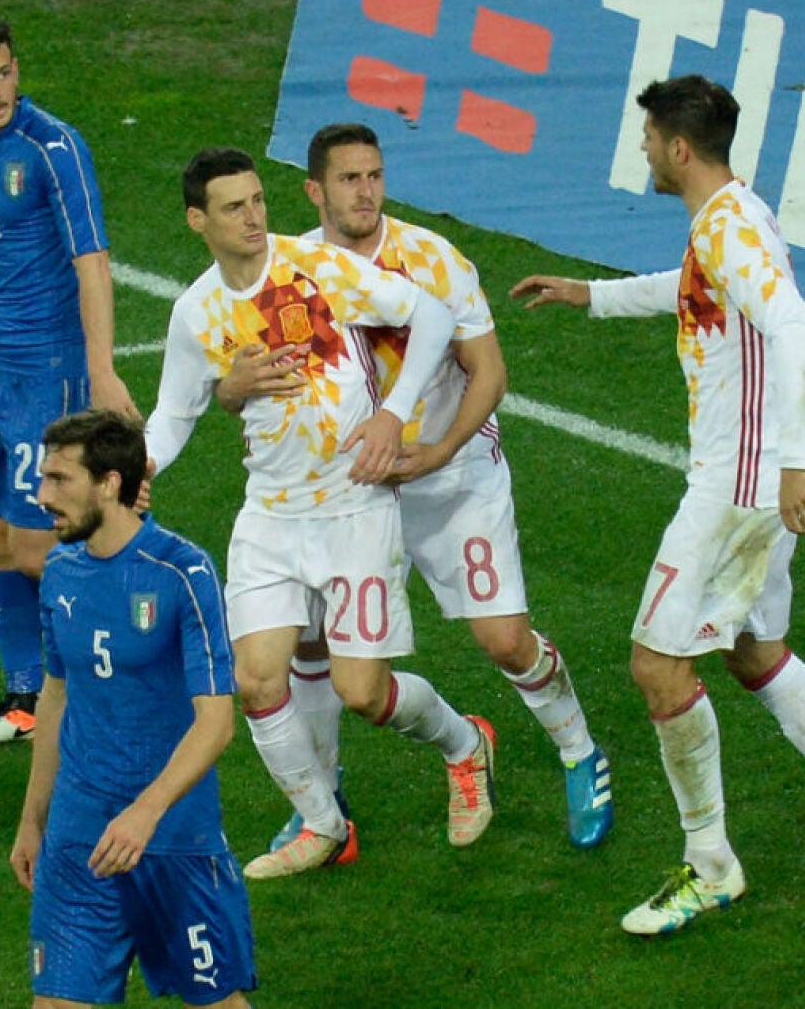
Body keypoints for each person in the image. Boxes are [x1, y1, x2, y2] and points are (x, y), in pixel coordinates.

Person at [513, 75, 805, 935]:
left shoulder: (731, 226)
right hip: (752, 475)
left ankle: (711, 867)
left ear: (678, 147)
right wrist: (590, 295)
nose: (642, 152)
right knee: (755, 651)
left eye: (648, 140)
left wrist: (795, 467)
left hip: (739, 484)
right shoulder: (730, 219)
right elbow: (693, 288)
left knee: (658, 668)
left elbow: (798, 333)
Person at [223, 123, 612, 854]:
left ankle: (579, 750)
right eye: (348, 178)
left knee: (504, 641)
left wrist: (436, 451)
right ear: (314, 189)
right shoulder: (293, 274)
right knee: (309, 640)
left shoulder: (432, 259)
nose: (366, 191)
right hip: (353, 493)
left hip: (453, 477)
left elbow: (488, 373)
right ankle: (325, 796)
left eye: (373, 175)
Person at [144, 147, 494, 881]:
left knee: (362, 692)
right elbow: (173, 416)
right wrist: (134, 469)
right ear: (196, 220)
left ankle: (465, 744)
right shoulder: (195, 312)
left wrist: (394, 415)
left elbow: (430, 316)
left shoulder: (319, 268)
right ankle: (325, 825)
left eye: (257, 200)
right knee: (257, 681)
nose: (253, 216)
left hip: (352, 509)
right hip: (269, 517)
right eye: (234, 206)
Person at [0, 6, 138, 751]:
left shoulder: (56, 148)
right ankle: (23, 702)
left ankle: (94, 686)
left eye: (3, 71)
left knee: (37, 547)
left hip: (48, 374)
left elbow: (92, 260)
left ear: (18, 67)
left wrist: (101, 366)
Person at [10, 410, 255, 1007]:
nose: (42, 496)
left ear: (110, 483)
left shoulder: (182, 573)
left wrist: (145, 814)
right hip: (79, 837)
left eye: (61, 480)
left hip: (173, 839)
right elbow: (58, 696)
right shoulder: (59, 573)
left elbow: (217, 722)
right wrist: (32, 819)